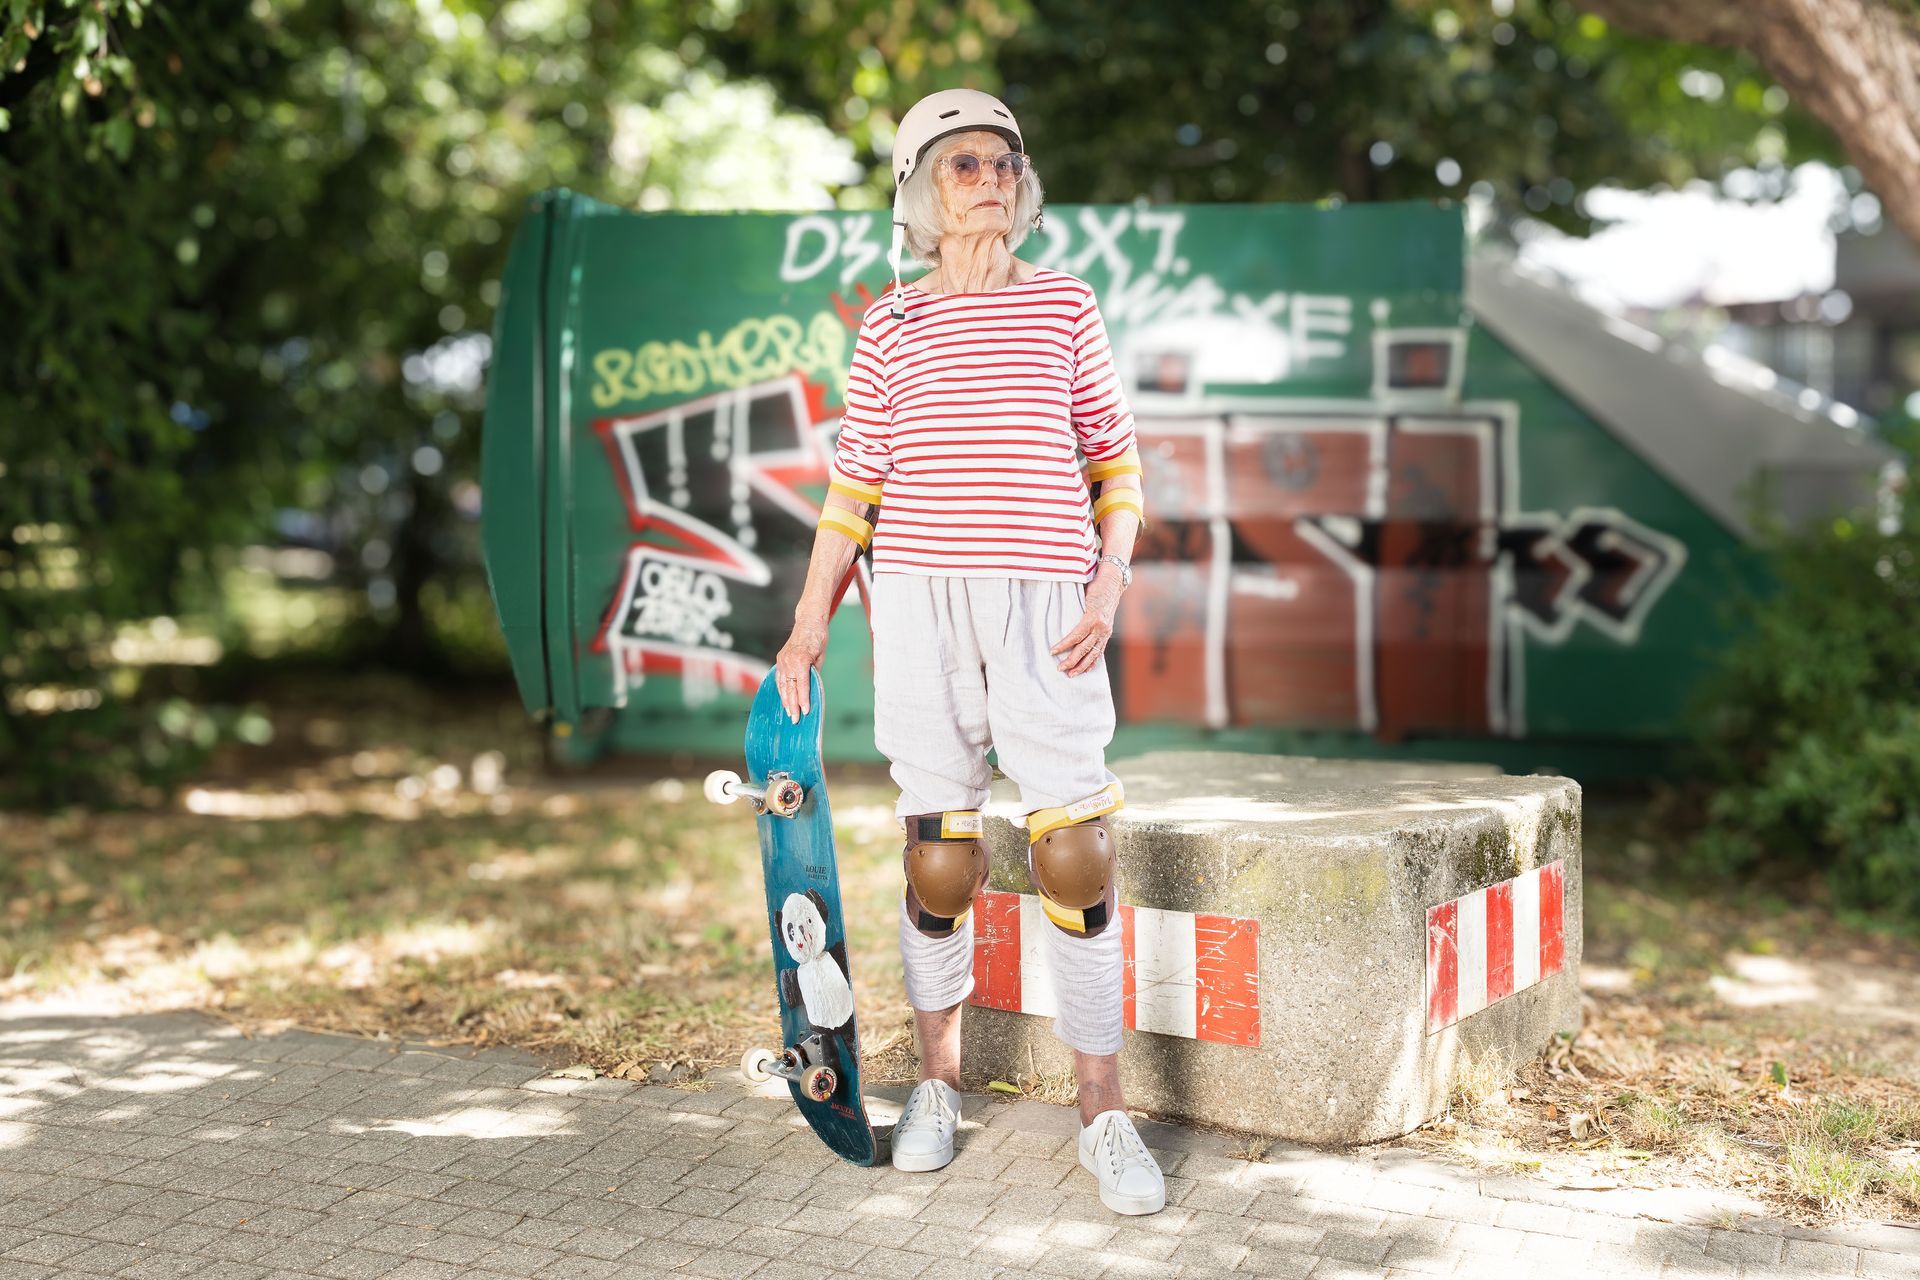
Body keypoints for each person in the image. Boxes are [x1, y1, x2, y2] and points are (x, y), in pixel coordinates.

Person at [772, 87, 1159, 1216]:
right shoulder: (890, 326)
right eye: (962, 166)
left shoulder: (1066, 308)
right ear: (921, 199)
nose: (988, 178)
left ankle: (1103, 1105)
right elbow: (853, 490)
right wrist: (809, 618)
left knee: (1075, 853)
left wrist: (1108, 578)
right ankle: (936, 1083)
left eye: (1003, 163)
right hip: (921, 608)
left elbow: (1117, 469)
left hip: (1047, 606)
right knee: (940, 858)